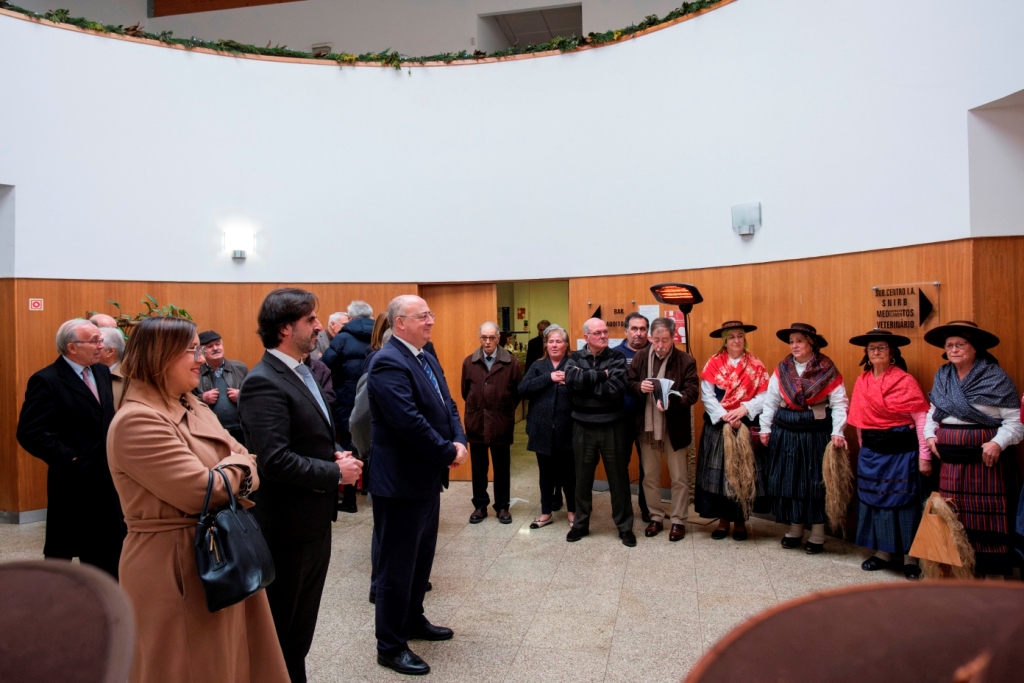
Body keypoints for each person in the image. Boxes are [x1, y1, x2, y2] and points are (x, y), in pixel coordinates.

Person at [106, 316, 289, 683]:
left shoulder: (191, 404)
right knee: (190, 666)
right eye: (191, 350)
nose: (202, 358)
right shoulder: (138, 421)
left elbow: (242, 457)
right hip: (173, 564)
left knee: (230, 661)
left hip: (219, 550)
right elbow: (202, 490)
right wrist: (239, 468)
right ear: (160, 356)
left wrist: (233, 468)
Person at [238, 288, 363, 683]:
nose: (319, 326)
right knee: (284, 630)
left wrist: (334, 455)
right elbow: (273, 460)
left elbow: (309, 438)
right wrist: (333, 473)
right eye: (311, 320)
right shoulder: (264, 382)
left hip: (311, 521)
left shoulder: (302, 370)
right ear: (285, 328)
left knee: (300, 630)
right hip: (286, 528)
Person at [368, 295, 468, 675]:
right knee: (397, 567)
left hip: (425, 479)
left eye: (430, 314)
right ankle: (390, 645)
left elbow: (448, 404)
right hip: (399, 482)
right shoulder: (387, 362)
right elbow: (407, 421)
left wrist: (459, 439)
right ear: (400, 322)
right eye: (423, 316)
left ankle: (413, 619)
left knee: (420, 559)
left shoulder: (424, 355)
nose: (431, 321)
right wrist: (446, 451)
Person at [16, 319, 125, 577]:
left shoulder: (100, 372)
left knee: (108, 550)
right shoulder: (47, 380)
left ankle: (108, 603)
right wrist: (70, 458)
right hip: (73, 480)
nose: (101, 345)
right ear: (72, 347)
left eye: (101, 339)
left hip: (107, 477)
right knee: (64, 554)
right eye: (95, 341)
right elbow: (30, 433)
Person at [923, 320, 1024, 576]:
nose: (954, 349)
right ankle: (956, 573)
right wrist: (930, 436)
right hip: (950, 460)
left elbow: (1015, 423)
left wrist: (997, 442)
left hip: (985, 461)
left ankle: (991, 574)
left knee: (986, 517)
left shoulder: (996, 377)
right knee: (952, 513)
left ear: (975, 347)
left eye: (960, 344)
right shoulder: (942, 375)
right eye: (949, 345)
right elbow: (932, 413)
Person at [846, 329, 930, 579]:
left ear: (892, 352)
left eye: (882, 347)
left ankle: (910, 558)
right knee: (875, 502)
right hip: (872, 454)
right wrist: (864, 449)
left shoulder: (905, 381)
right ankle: (882, 553)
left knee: (905, 504)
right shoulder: (862, 381)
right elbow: (860, 419)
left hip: (902, 455)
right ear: (867, 355)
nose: (876, 352)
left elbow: (921, 417)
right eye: (872, 349)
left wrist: (924, 454)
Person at [759, 323, 848, 554]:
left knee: (814, 483)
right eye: (791, 342)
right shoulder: (783, 369)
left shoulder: (827, 369)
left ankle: (817, 533)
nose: (794, 345)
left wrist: (837, 430)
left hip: (815, 433)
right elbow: (770, 401)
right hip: (785, 432)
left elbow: (839, 403)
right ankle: (795, 528)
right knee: (789, 481)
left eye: (799, 341)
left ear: (811, 343)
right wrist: (765, 428)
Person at [694, 321, 770, 541]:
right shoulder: (714, 363)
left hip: (744, 424)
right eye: (731, 337)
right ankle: (722, 521)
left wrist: (743, 409)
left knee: (742, 474)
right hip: (719, 427)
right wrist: (725, 416)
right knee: (718, 477)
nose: (736, 340)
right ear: (724, 341)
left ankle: (740, 522)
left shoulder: (755, 364)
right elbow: (707, 395)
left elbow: (765, 395)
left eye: (739, 336)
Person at [626, 317, 699, 542]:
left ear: (673, 338)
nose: (659, 345)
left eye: (664, 340)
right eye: (655, 339)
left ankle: (678, 520)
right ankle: (656, 517)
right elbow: (628, 383)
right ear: (650, 338)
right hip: (647, 427)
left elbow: (692, 392)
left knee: (679, 477)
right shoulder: (640, 357)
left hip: (674, 426)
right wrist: (640, 387)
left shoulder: (686, 360)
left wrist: (671, 401)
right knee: (649, 475)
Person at [565, 317, 635, 547]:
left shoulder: (616, 357)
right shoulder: (574, 357)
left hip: (612, 425)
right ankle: (581, 524)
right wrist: (601, 376)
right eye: (598, 333)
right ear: (586, 337)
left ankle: (625, 527)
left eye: (605, 332)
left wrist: (586, 383)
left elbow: (615, 389)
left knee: (618, 478)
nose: (604, 336)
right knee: (582, 479)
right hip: (582, 426)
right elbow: (571, 380)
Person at [462, 321, 522, 524]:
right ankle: (480, 506)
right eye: (484, 337)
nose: (488, 342)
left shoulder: (511, 362)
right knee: (479, 468)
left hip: (501, 422)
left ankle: (503, 506)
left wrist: (503, 410)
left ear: (498, 339)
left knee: (502, 468)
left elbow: (517, 392)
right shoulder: (469, 362)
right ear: (480, 338)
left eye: (492, 337)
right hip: (477, 422)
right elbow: (465, 392)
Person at [517, 324, 576, 529]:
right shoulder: (538, 366)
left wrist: (570, 382)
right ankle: (545, 513)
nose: (554, 345)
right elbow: (522, 389)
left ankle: (572, 512)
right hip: (541, 429)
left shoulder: (574, 364)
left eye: (558, 341)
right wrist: (548, 378)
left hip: (567, 428)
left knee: (569, 474)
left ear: (566, 345)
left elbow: (585, 390)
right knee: (546, 473)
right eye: (550, 341)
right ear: (545, 345)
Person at [324, 301, 374, 512]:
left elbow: (325, 364)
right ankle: (373, 492)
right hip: (373, 399)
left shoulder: (342, 338)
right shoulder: (378, 336)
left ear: (351, 318)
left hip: (346, 399)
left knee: (347, 446)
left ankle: (350, 500)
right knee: (373, 444)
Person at [618, 312, 653, 523]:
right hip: (621, 419)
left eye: (642, 329)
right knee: (620, 466)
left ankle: (647, 509)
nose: (638, 334)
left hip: (649, 419)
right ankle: (623, 509)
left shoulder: (655, 351)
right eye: (634, 329)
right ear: (625, 331)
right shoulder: (614, 354)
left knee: (647, 467)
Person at [194, 330, 249, 444]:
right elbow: (184, 401)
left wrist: (242, 395)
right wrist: (202, 398)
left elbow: (256, 397)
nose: (215, 348)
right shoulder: (195, 371)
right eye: (209, 346)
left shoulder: (240, 368)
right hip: (211, 432)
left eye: (218, 344)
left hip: (241, 430)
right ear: (201, 351)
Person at [98, 326, 126, 407]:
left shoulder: (130, 378)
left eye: (98, 343)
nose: (92, 347)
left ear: (110, 351)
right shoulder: (85, 373)